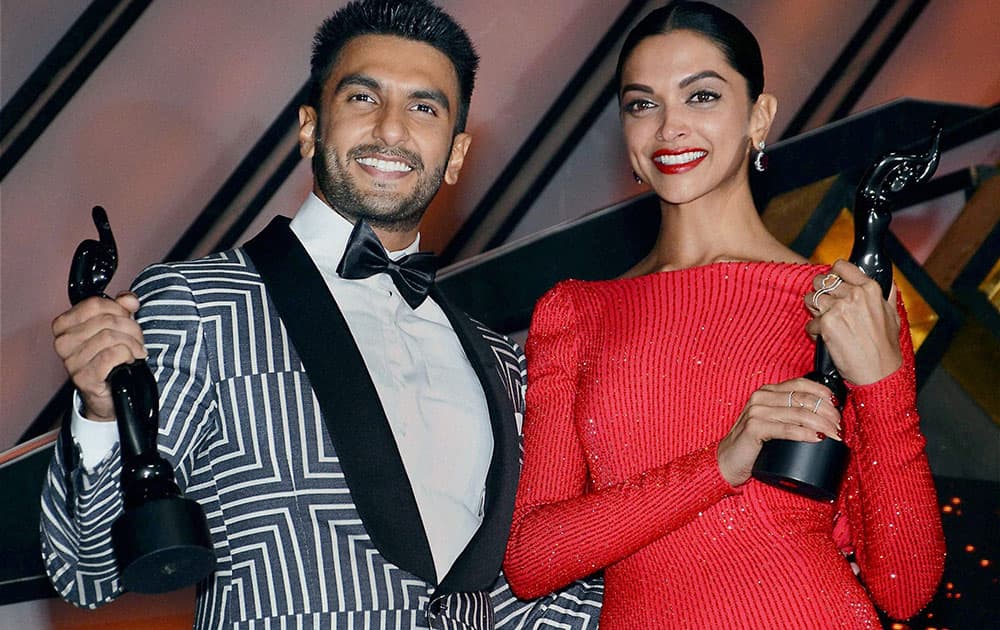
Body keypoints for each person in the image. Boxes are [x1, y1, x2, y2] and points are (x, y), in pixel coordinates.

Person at [40, 1, 602, 628]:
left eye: (424, 107)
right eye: (363, 98)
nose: (392, 130)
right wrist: (97, 412)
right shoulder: (196, 304)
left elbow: (530, 591)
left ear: (456, 153)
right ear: (310, 127)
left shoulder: (505, 364)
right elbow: (84, 569)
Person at [503, 1, 944, 627]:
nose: (668, 128)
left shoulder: (840, 302)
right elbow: (532, 559)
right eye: (642, 104)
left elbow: (906, 586)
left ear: (758, 117)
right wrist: (722, 461)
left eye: (701, 96)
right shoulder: (575, 312)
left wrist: (883, 384)